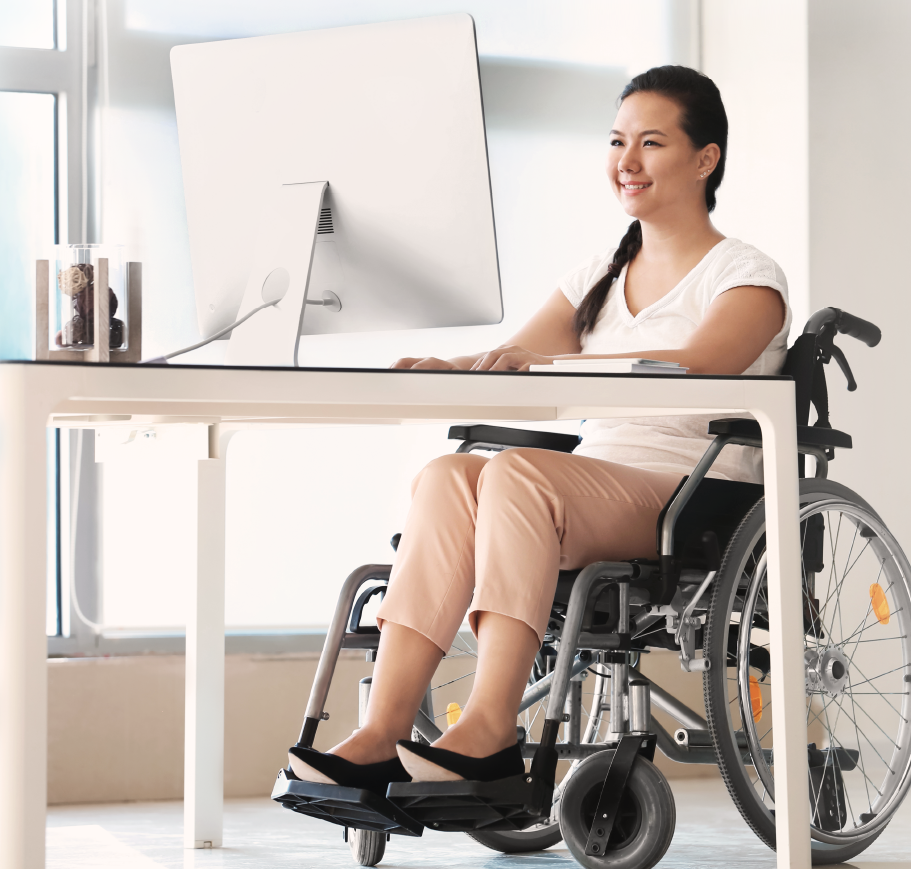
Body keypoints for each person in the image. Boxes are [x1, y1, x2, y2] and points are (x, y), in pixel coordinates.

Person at [286, 65, 791, 793]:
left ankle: (490, 728)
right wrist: (452, 366)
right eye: (617, 141)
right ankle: (382, 729)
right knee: (448, 475)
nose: (627, 161)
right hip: (595, 481)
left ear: (706, 158)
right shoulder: (597, 274)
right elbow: (525, 356)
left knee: (518, 473)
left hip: (694, 490)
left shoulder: (745, 273)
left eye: (651, 142)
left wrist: (548, 360)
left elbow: (705, 364)